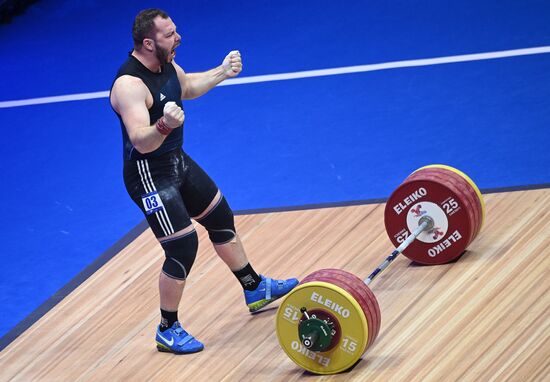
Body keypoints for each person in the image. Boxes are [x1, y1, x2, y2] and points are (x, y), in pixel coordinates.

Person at [110, 8, 298, 355]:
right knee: (182, 247)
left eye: (175, 31)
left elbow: (188, 86)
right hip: (149, 175)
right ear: (149, 42)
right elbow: (140, 139)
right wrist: (164, 125)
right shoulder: (129, 85)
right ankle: (167, 328)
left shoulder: (167, 66)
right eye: (170, 34)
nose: (178, 38)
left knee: (220, 217)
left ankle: (254, 288)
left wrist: (222, 71)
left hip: (177, 162)